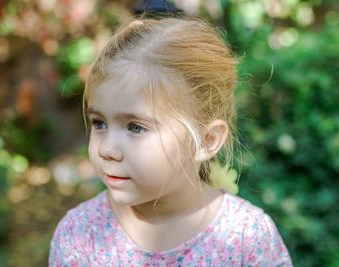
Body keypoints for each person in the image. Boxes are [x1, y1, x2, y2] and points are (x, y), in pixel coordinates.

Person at [49, 17, 292, 266]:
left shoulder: (247, 238)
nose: (107, 149)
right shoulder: (80, 236)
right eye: (99, 123)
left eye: (135, 127)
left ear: (206, 141)